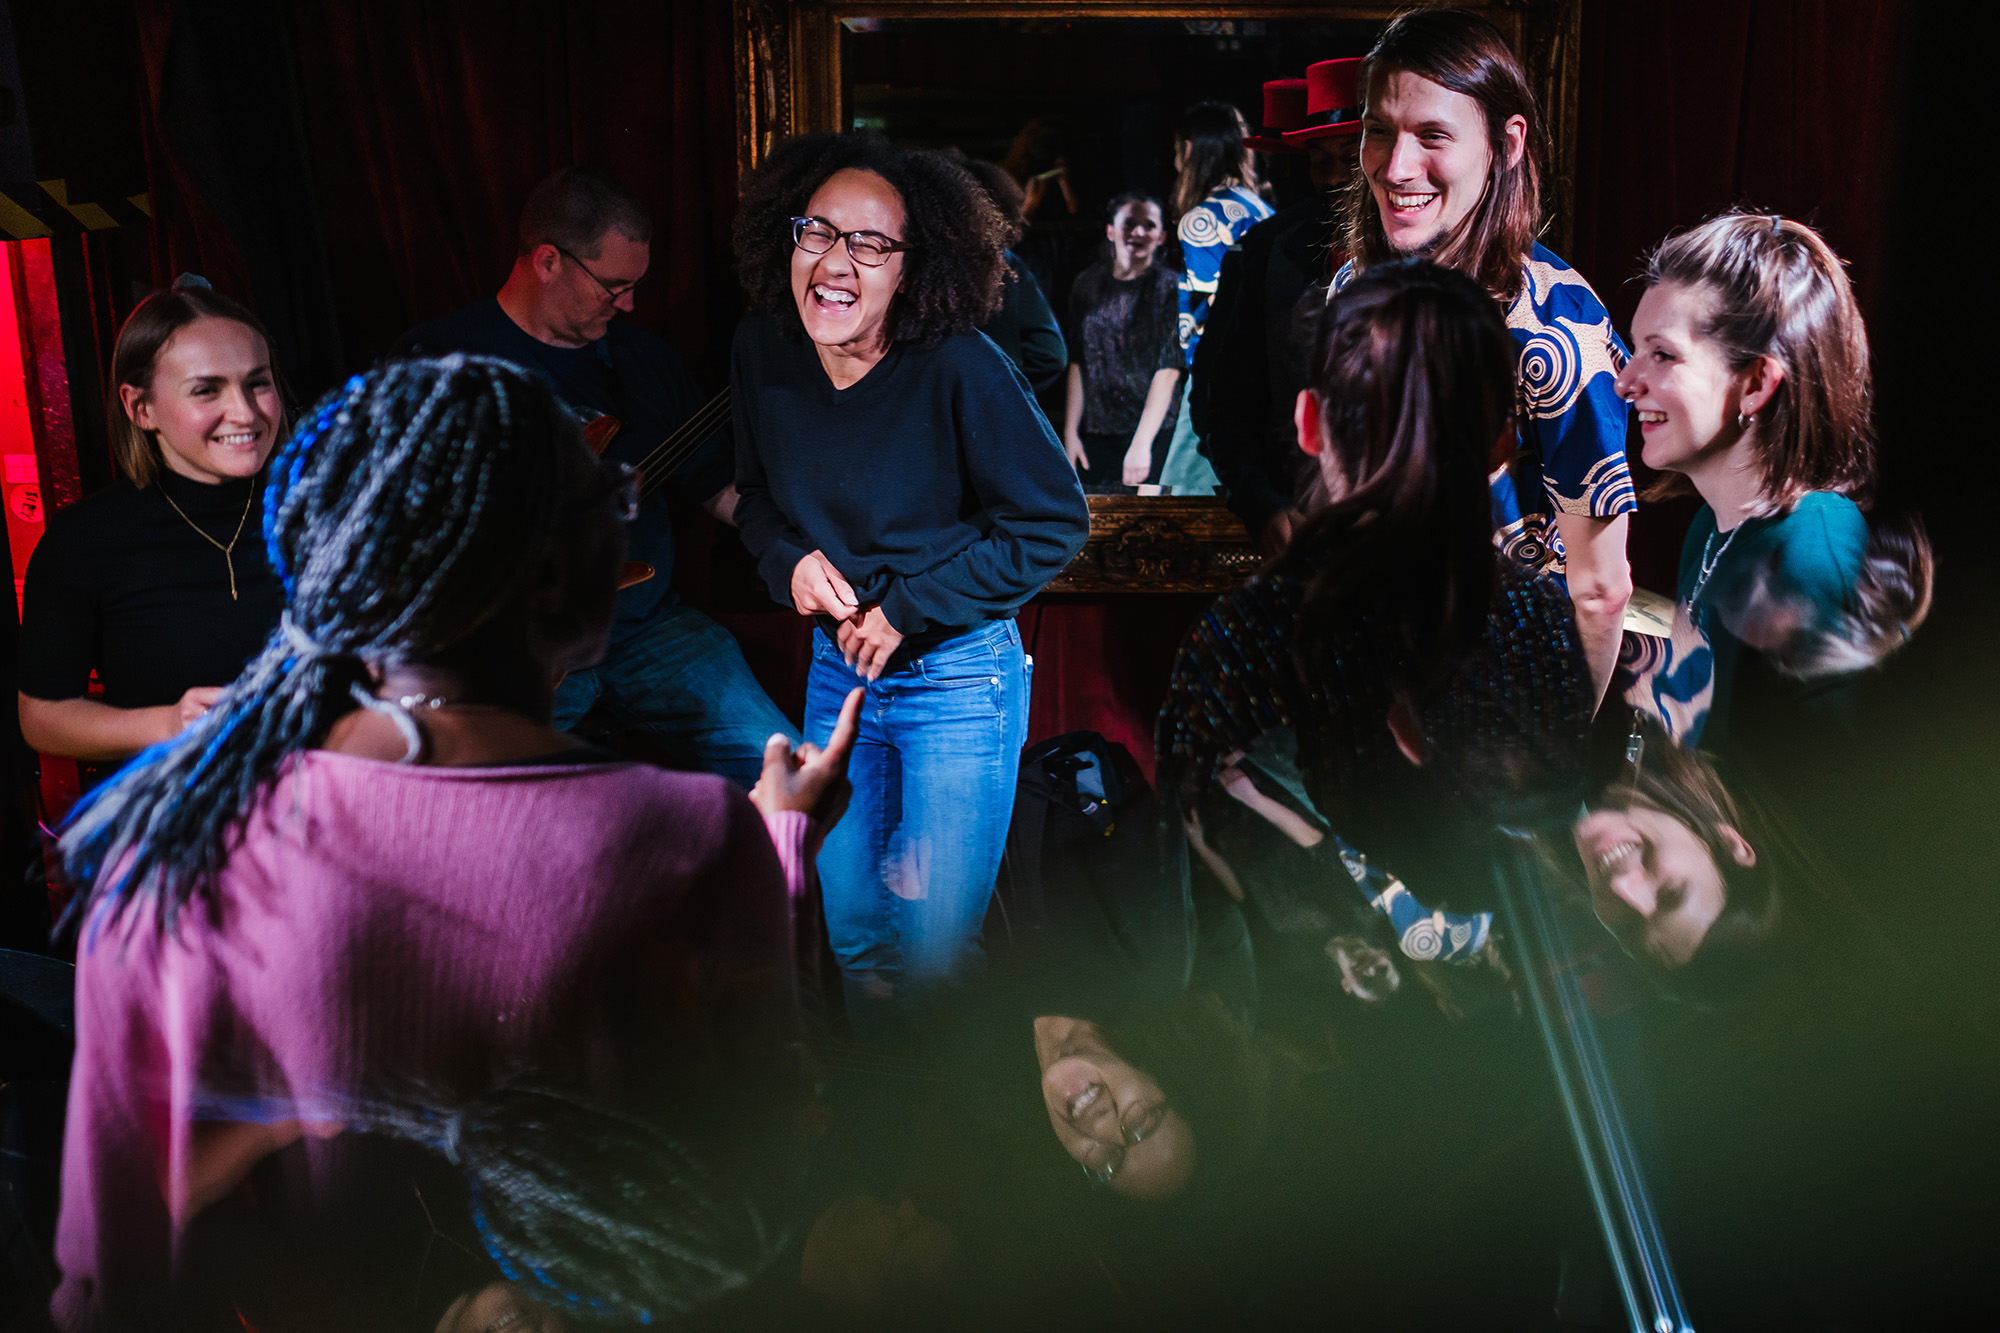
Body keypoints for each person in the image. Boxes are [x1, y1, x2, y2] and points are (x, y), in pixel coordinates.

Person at [50, 356, 859, 1329]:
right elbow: (759, 1160)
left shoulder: (177, 846)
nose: (628, 510)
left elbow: (115, 1270)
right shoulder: (685, 834)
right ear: (554, 577)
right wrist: (778, 841)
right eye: (607, 493)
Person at [729, 132, 1091, 1027]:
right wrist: (787, 560)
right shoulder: (761, 347)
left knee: (933, 955)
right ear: (789, 238)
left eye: (871, 244)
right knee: (852, 936)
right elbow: (757, 501)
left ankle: (946, 1153)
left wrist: (908, 606)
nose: (836, 261)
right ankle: (879, 1145)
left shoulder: (961, 364)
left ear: (912, 270)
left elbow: (1054, 523)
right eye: (818, 232)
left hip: (959, 679)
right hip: (839, 680)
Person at [1158, 260, 1594, 1002]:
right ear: (1502, 447)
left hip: (1309, 1044)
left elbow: (1192, 873)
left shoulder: (1231, 641)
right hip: (1520, 1047)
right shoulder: (1543, 623)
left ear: (1307, 422)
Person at [395, 167, 796, 788]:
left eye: (636, 286)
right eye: (614, 287)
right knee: (481, 803)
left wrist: (804, 533)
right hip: (516, 645)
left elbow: (714, 485)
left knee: (791, 769)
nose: (630, 304)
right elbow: (398, 526)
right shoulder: (437, 364)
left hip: (650, 631)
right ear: (548, 261)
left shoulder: (644, 362)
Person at [1334, 7, 1635, 706]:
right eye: (1378, 131)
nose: (1395, 166)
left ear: (1506, 144)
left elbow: (1598, 588)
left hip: (1501, 715)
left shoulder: (1557, 329)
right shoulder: (1354, 286)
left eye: (1432, 135)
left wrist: (1548, 771)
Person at [1612, 211, 1932, 750]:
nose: (1625, 382)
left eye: (1662, 354)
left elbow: (1816, 809)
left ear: (1756, 383)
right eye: (1635, 349)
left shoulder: (1814, 565)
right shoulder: (1713, 527)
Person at [18, 280, 286, 763]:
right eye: (206, 390)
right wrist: (169, 723)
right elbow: (42, 717)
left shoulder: (330, 512)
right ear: (141, 408)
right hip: (177, 823)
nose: (244, 412)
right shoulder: (85, 541)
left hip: (336, 813)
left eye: (257, 382)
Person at [1196, 59, 1364, 554]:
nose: (1333, 179)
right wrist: (1262, 502)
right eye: (1319, 161)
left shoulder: (1435, 251)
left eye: (1347, 159)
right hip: (1300, 523)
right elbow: (1221, 401)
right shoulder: (1268, 251)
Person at [1156, 100, 1275, 496]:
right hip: (1263, 372)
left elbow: (1213, 313)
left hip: (1218, 379)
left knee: (1185, 499)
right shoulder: (1258, 206)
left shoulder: (1201, 220)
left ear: (1188, 150)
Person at [1061, 193, 1183, 488]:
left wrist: (1141, 444)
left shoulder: (1170, 287)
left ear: (1162, 236)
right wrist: (1070, 433)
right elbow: (1079, 360)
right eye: (1129, 223)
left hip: (1152, 432)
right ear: (1110, 230)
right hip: (1098, 432)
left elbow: (1169, 369)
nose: (1138, 232)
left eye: (1148, 225)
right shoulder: (1087, 283)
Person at [954, 153, 1068, 402]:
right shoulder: (1006, 264)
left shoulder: (918, 266)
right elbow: (1050, 354)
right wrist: (1004, 388)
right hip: (994, 414)